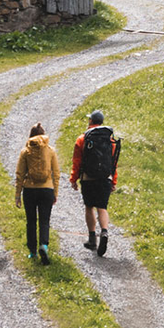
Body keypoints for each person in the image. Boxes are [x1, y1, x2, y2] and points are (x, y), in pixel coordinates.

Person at [69, 110, 120, 256]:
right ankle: (104, 231)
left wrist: (73, 179)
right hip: (105, 178)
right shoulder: (110, 140)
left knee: (89, 206)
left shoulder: (82, 138)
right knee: (102, 207)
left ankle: (92, 239)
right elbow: (113, 162)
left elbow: (77, 162)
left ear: (91, 121)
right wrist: (113, 181)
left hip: (88, 178)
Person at [14, 123, 59, 265]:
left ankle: (32, 251)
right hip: (47, 190)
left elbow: (20, 174)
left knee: (31, 221)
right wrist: (55, 192)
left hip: (30, 190)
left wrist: (17, 195)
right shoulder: (50, 151)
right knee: (44, 220)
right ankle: (44, 245)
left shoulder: (25, 151)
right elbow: (56, 173)